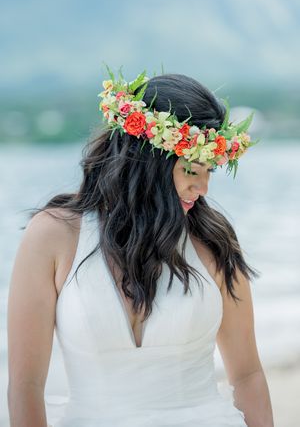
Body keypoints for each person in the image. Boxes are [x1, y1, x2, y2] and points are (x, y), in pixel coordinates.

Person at [7, 69, 274, 426]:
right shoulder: (53, 236)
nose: (204, 188)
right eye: (191, 169)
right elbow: (26, 384)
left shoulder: (213, 241)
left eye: (210, 170)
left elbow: (247, 375)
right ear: (150, 161)